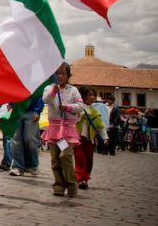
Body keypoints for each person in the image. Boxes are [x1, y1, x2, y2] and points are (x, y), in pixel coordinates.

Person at [42, 63, 83, 197]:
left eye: (63, 73)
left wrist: (68, 107)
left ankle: (71, 184)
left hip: (66, 132)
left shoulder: (73, 90)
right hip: (54, 130)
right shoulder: (49, 88)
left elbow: (80, 106)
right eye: (57, 73)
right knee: (55, 159)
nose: (60, 76)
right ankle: (59, 185)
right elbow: (46, 100)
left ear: (68, 76)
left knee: (65, 155)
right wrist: (54, 91)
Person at [74, 86, 107, 190]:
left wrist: (105, 137)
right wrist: (81, 115)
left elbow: (101, 126)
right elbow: (73, 120)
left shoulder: (95, 112)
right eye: (89, 95)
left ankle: (85, 179)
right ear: (82, 96)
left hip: (89, 140)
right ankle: (80, 179)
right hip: (78, 139)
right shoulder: (77, 107)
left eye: (93, 95)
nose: (92, 97)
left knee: (89, 161)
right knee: (80, 160)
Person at [8, 92, 44, 176]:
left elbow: (41, 94)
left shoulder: (37, 80)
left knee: (31, 139)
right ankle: (18, 167)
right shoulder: (16, 79)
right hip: (17, 111)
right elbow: (9, 90)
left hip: (32, 112)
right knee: (16, 141)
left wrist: (37, 110)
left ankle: (32, 165)